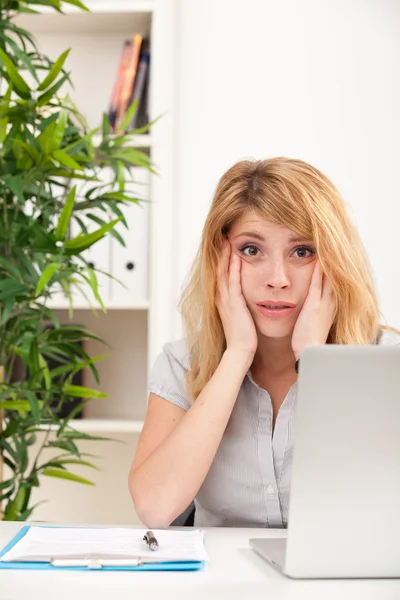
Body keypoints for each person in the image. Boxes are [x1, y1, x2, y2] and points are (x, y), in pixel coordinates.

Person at [128, 157, 400, 529]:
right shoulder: (183, 363)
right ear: (218, 256)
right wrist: (237, 354)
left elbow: (373, 513)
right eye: (252, 250)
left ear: (334, 260)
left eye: (302, 251)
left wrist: (314, 361)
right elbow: (155, 508)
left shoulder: (387, 361)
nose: (278, 279)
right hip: (221, 586)